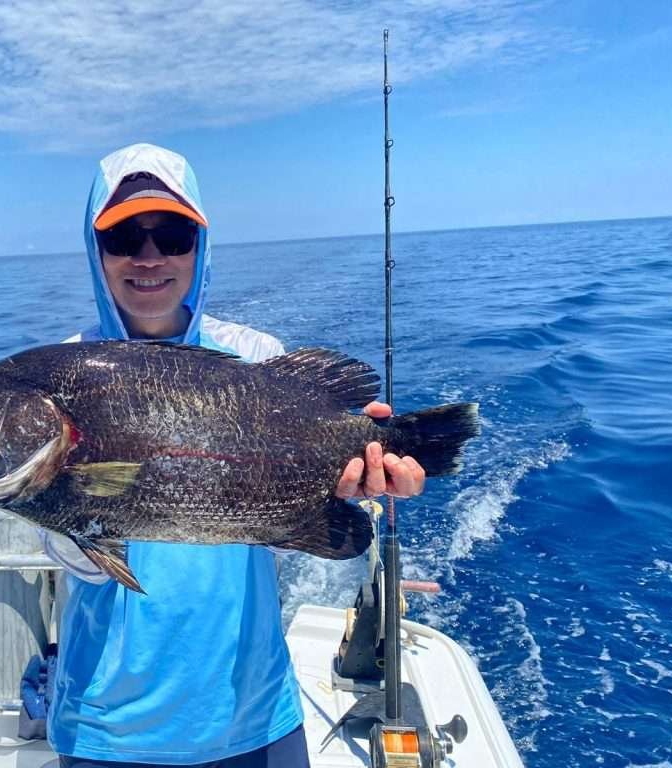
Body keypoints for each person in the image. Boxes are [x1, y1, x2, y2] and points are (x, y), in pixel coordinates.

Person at [41, 143, 425, 767]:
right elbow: (80, 562)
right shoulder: (63, 372)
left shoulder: (254, 356)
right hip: (107, 726)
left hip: (255, 715)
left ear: (200, 243)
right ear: (95, 250)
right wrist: (32, 487)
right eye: (123, 239)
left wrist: (355, 483)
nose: (149, 257)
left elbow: (275, 534)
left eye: (171, 233)